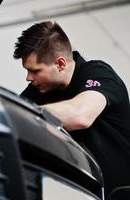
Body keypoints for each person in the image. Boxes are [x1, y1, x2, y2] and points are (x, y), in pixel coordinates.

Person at [13, 21, 130, 197]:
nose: (28, 78)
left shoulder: (99, 73)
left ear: (60, 64)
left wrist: (20, 113)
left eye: (35, 70)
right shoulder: (36, 93)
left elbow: (80, 115)